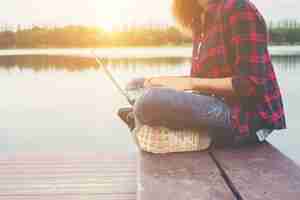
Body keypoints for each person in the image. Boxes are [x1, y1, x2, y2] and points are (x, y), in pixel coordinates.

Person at [127, 0, 286, 147]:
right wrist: (164, 82)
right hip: (215, 103)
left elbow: (250, 84)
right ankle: (155, 126)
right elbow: (203, 82)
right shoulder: (201, 20)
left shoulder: (239, 8)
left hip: (244, 116)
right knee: (136, 85)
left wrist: (188, 84)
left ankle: (152, 126)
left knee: (148, 100)